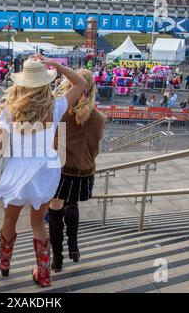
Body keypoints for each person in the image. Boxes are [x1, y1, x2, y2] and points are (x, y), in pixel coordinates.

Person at [0, 56, 87, 287]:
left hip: (17, 175)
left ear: (22, 83)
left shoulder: (9, 112)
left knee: (9, 220)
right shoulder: (56, 106)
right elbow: (81, 84)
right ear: (45, 82)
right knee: (37, 223)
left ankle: (5, 264)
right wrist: (57, 64)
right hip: (45, 173)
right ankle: (44, 274)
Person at [49, 70, 106, 272]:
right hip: (85, 173)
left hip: (62, 171)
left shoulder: (61, 113)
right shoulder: (100, 118)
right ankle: (73, 247)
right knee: (72, 205)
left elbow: (54, 143)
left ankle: (57, 260)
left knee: (55, 213)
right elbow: (94, 149)